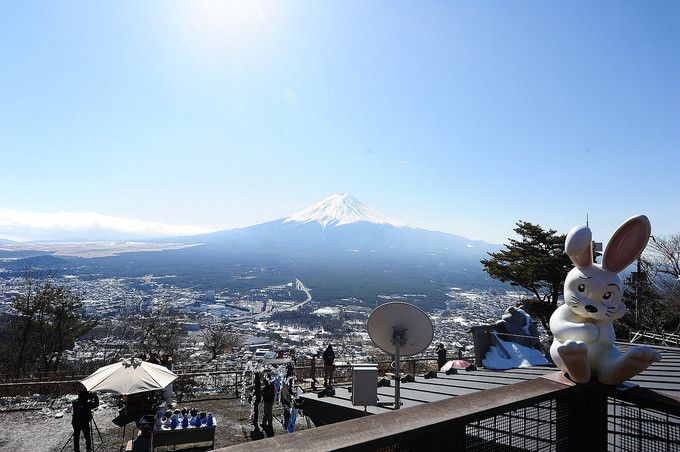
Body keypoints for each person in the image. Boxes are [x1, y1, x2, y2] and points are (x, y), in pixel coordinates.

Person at [71, 387, 99, 452]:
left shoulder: (74, 402)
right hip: (84, 422)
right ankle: (88, 448)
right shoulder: (87, 404)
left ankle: (76, 450)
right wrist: (95, 396)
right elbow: (96, 404)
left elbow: (80, 401)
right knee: (87, 436)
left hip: (75, 422)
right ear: (85, 396)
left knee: (76, 437)